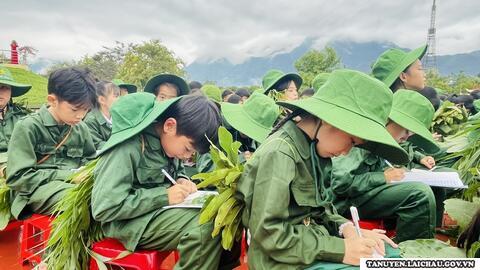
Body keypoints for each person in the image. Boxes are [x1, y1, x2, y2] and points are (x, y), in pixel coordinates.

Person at [237, 69, 407, 269]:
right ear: (329, 119)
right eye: (351, 141)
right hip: (282, 261)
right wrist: (341, 249)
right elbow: (269, 232)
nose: (346, 152)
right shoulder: (280, 154)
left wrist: (347, 229)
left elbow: (321, 208)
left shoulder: (316, 151)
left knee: (389, 256)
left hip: (310, 248)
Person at [91, 93, 237, 269]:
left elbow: (174, 169)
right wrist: (163, 196)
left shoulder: (168, 142)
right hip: (129, 223)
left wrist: (182, 179)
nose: (187, 157)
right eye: (188, 149)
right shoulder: (129, 147)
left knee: (228, 212)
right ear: (169, 125)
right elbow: (105, 208)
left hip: (157, 212)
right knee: (203, 227)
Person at [331, 90, 441, 242]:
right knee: (419, 194)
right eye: (406, 130)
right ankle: (409, 252)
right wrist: (382, 177)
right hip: (346, 202)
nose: (406, 136)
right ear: (389, 119)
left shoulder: (384, 140)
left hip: (362, 195)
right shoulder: (364, 138)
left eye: (411, 134)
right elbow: (339, 183)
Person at [6, 67, 96, 220]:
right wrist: (70, 176)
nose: (81, 115)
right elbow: (18, 177)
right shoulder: (28, 126)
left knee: (106, 196)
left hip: (73, 186)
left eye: (86, 110)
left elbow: (90, 160)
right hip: (34, 191)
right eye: (75, 109)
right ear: (53, 101)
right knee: (84, 200)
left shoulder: (81, 128)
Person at [196, 92, 280, 173]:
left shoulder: (254, 139)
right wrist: (240, 159)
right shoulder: (215, 126)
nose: (251, 133)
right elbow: (204, 168)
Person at [0, 67, 32, 170]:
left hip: (23, 166)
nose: (0, 92)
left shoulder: (23, 116)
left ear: (11, 92)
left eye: (4, 87)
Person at [84, 81, 120, 150]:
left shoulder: (118, 115)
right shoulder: (90, 121)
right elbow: (97, 144)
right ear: (102, 100)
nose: (119, 99)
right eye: (115, 96)